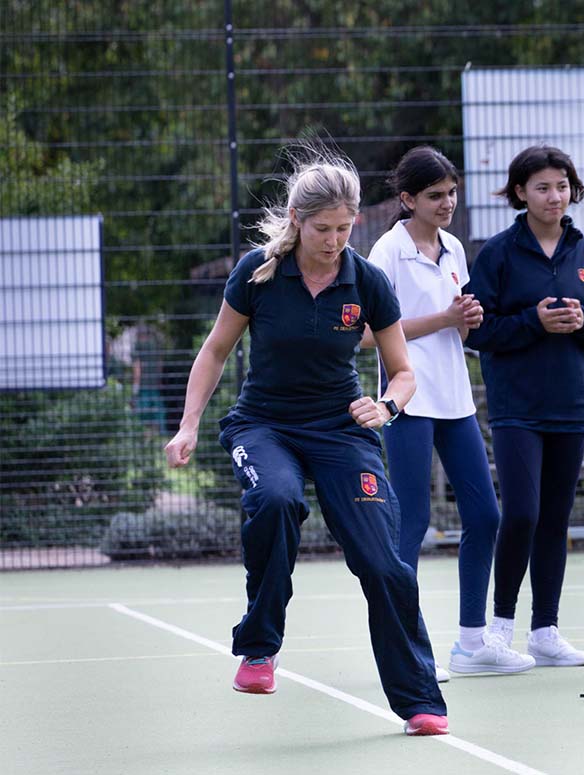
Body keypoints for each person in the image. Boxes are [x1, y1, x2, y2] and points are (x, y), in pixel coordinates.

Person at [163, 149, 448, 736]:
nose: (335, 240)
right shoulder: (257, 273)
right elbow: (215, 350)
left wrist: (388, 405)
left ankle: (419, 699)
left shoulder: (366, 280)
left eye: (345, 228)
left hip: (342, 430)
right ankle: (260, 648)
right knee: (277, 500)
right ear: (296, 218)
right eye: (323, 229)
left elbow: (403, 370)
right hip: (264, 424)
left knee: (383, 561)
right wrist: (189, 423)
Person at [366, 146, 535, 679]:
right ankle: (407, 649)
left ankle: (470, 643)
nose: (447, 203)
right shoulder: (387, 252)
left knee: (486, 515)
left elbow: (460, 330)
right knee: (411, 522)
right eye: (435, 195)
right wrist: (443, 317)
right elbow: (370, 332)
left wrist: (467, 318)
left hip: (456, 400)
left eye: (451, 193)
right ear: (407, 198)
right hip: (406, 401)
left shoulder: (455, 248)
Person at [463, 145, 584, 667]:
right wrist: (533, 322)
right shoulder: (497, 254)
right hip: (516, 406)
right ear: (520, 192)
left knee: (555, 517)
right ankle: (499, 628)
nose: (555, 196)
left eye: (563, 186)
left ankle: (545, 630)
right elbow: (478, 332)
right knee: (520, 512)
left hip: (570, 404)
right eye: (543, 187)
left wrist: (581, 322)